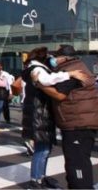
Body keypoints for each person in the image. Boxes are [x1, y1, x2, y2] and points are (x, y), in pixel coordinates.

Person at [21, 46, 87, 189]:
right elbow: (46, 81)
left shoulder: (36, 68)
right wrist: (69, 74)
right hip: (40, 115)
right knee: (42, 149)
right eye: (50, 56)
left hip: (42, 113)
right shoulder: (37, 69)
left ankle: (41, 177)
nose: (53, 59)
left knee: (45, 149)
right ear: (43, 58)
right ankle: (35, 180)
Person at [39, 45, 98, 189]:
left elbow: (59, 94)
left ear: (64, 58)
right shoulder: (78, 67)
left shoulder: (72, 71)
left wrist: (40, 85)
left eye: (56, 57)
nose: (54, 60)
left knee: (77, 164)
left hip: (77, 124)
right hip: (81, 122)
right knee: (79, 161)